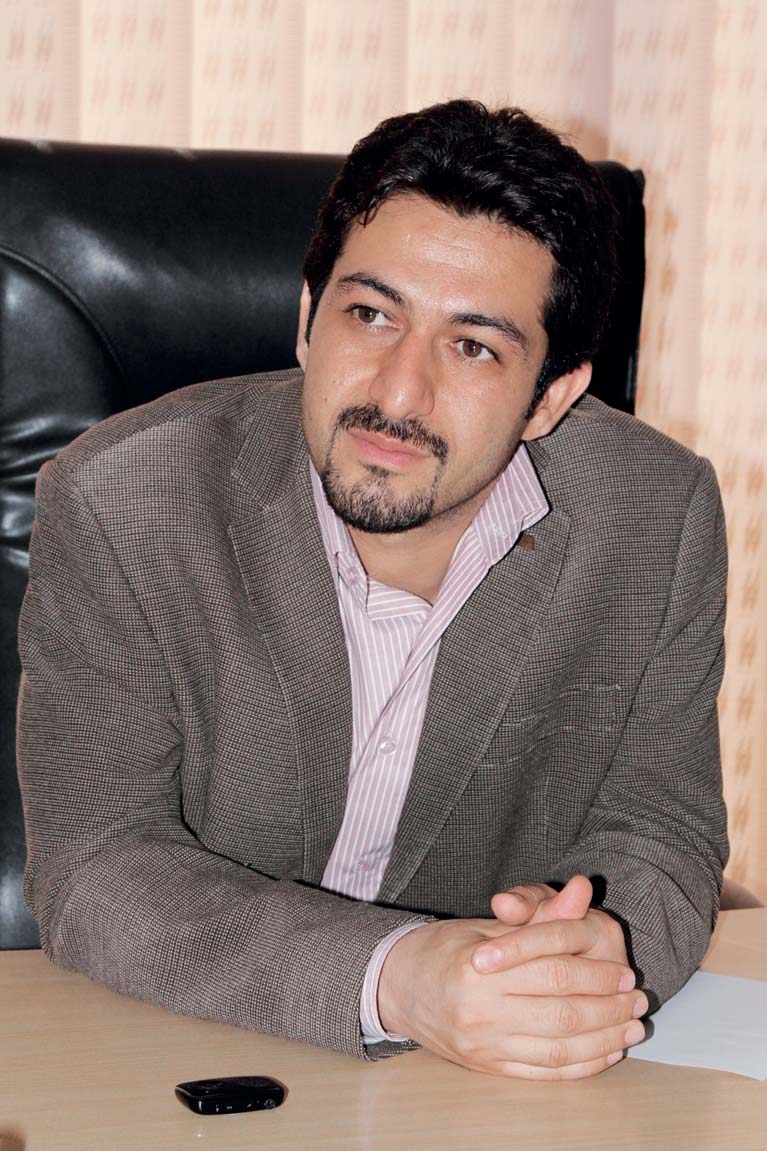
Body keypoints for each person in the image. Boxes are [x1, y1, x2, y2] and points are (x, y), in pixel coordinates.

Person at [17, 100, 728, 1082]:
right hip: (176, 1050)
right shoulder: (123, 500)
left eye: (473, 346)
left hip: (478, 1088)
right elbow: (97, 863)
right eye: (370, 314)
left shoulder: (655, 515)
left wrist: (594, 939)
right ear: (306, 318)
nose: (397, 393)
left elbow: (660, 828)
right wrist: (394, 975)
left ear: (552, 396)